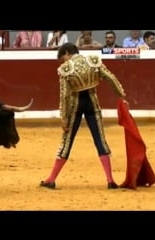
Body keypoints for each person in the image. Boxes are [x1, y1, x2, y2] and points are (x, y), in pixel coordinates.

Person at [40, 42, 128, 190]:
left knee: (67, 141)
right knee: (100, 139)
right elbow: (110, 78)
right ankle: (110, 180)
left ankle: (51, 179)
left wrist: (64, 118)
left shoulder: (65, 69)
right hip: (92, 102)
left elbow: (65, 96)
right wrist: (121, 95)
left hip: (75, 105)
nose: (64, 61)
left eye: (63, 58)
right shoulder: (93, 61)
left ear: (67, 53)